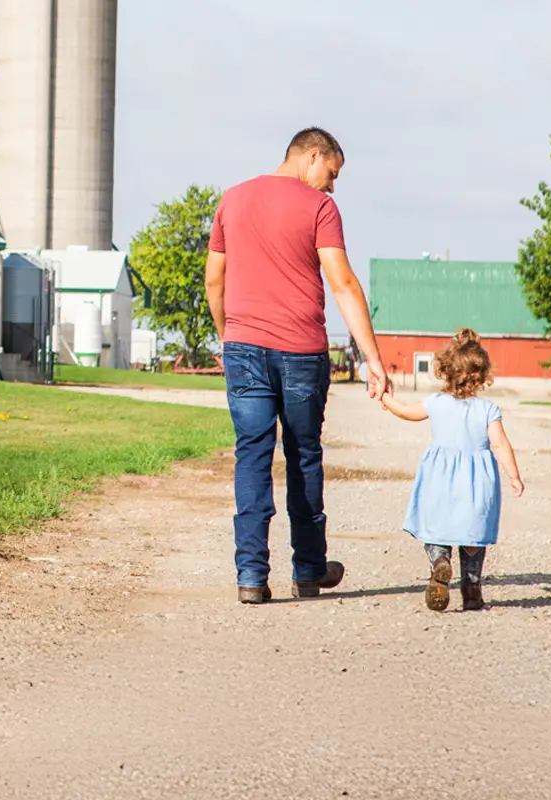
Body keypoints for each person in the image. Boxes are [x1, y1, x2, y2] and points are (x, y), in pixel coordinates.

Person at [205, 127, 391, 605]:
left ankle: (251, 575)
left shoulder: (233, 199)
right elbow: (343, 283)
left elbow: (214, 280)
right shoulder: (320, 209)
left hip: (243, 348)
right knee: (303, 455)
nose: (331, 187)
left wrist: (230, 339)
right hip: (301, 353)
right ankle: (308, 571)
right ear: (313, 156)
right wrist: (373, 359)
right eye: (331, 174)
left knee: (252, 455)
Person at [380, 329, 524, 611]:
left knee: (437, 531)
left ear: (446, 371)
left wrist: (385, 398)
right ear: (482, 376)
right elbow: (501, 445)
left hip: (440, 482)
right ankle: (471, 592)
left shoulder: (436, 403)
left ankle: (440, 562)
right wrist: (514, 475)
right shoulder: (487, 409)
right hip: (475, 486)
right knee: (472, 538)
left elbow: (406, 412)